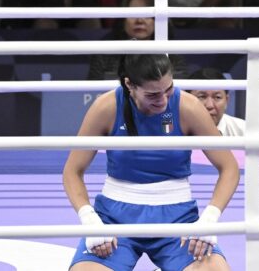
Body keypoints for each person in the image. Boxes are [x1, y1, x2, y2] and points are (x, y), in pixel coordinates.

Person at [63, 53, 239, 270]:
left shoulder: (189, 107)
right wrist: (89, 219)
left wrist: (209, 218)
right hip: (114, 218)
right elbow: (73, 170)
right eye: (153, 94)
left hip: (178, 219)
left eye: (168, 89)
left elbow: (229, 167)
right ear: (130, 85)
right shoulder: (107, 107)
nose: (163, 100)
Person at [87, 0, 188, 81]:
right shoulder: (105, 54)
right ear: (123, 21)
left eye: (146, 14)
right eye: (133, 14)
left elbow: (182, 89)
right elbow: (92, 92)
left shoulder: (172, 55)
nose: (139, 20)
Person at [188, 67, 245, 137]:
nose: (210, 105)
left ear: (227, 101)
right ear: (186, 101)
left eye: (217, 97)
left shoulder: (243, 130)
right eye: (202, 97)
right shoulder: (175, 130)